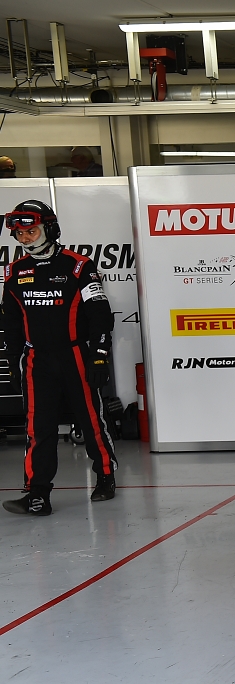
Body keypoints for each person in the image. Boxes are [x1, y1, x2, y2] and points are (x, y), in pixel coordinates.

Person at [1, 200, 117, 516]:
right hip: (35, 360)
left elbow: (100, 315)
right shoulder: (14, 272)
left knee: (91, 419)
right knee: (37, 428)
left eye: (31, 231)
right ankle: (37, 494)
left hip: (76, 354)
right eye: (20, 234)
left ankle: (106, 476)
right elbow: (11, 322)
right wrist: (13, 361)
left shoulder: (79, 266)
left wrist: (100, 355)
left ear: (50, 229)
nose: (25, 238)